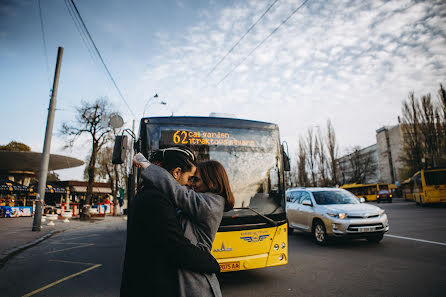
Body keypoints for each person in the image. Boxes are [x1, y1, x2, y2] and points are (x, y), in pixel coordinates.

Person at [120, 147, 221, 297]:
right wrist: (212, 263)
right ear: (177, 172)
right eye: (190, 178)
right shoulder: (156, 199)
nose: (190, 185)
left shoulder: (149, 194)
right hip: (150, 287)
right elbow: (178, 247)